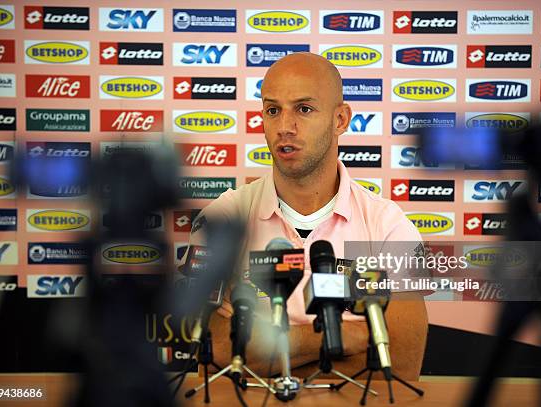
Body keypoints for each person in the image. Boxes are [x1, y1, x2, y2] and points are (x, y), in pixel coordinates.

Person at [182, 52, 428, 381]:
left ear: (340, 120)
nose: (285, 127)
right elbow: (212, 356)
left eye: (304, 109)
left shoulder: (388, 225)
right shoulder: (223, 219)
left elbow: (401, 363)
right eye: (273, 110)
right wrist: (342, 337)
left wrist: (260, 353)